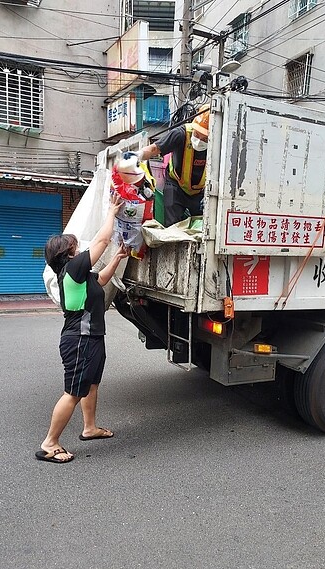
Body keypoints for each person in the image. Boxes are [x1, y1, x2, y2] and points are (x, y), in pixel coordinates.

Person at [35, 192, 127, 464]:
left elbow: (102, 279)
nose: (79, 247)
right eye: (75, 245)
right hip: (80, 340)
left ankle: (89, 428)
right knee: (74, 392)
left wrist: (118, 257)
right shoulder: (72, 268)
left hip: (92, 337)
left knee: (92, 384)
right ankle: (49, 443)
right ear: (67, 253)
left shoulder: (80, 276)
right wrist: (111, 211)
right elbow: (101, 239)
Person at [137, 106, 210, 227]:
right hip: (175, 185)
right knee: (173, 226)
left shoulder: (220, 143)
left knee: (203, 226)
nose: (199, 140)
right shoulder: (181, 134)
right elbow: (154, 148)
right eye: (197, 134)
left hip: (200, 191)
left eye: (205, 138)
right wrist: (138, 155)